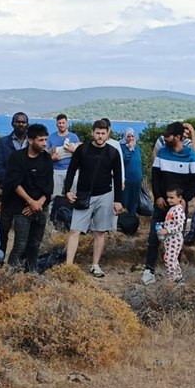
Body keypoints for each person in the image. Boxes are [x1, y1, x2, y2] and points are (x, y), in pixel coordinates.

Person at [63, 118, 124, 277]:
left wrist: (118, 200)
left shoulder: (113, 152)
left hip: (105, 195)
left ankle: (95, 265)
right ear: (93, 132)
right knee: (75, 230)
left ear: (108, 133)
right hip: (83, 194)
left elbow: (117, 178)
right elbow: (71, 170)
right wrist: (67, 190)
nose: (100, 136)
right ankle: (68, 266)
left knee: (100, 231)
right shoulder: (82, 150)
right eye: (97, 133)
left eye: (103, 133)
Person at [142, 122, 195, 284]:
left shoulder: (191, 155)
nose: (165, 138)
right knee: (155, 236)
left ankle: (175, 273)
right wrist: (158, 197)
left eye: (169, 135)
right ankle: (149, 269)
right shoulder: (162, 153)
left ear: (179, 137)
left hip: (179, 206)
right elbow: (155, 177)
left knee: (176, 238)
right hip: (161, 203)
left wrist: (184, 199)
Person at [3, 123, 52, 272]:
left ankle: (31, 274)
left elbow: (49, 185)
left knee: (35, 245)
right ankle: (9, 275)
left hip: (41, 208)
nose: (44, 143)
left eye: (45, 140)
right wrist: (30, 202)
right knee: (20, 245)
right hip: (21, 208)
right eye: (41, 140)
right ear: (31, 140)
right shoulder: (17, 158)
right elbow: (14, 183)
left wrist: (39, 204)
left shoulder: (46, 158)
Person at [0, 112, 30, 256]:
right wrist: (11, 183)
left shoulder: (32, 143)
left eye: (23, 122)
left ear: (27, 124)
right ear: (12, 123)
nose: (21, 124)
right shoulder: (3, 143)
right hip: (8, 192)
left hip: (27, 193)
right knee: (4, 227)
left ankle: (19, 260)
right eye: (18, 121)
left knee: (23, 229)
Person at [158, 187, 187, 283]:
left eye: (172, 198)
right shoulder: (173, 209)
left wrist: (167, 230)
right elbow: (171, 222)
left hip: (175, 238)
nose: (168, 200)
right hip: (169, 239)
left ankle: (172, 279)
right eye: (168, 197)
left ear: (179, 198)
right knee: (172, 258)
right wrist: (163, 225)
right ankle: (178, 278)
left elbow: (179, 227)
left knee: (169, 259)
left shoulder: (178, 210)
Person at [48, 113, 80, 198]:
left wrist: (73, 151)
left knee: (73, 194)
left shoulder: (74, 137)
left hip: (72, 169)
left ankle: (71, 211)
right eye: (59, 123)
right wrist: (52, 158)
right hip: (56, 170)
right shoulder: (51, 137)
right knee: (54, 195)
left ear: (67, 123)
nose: (61, 125)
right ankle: (53, 211)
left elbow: (80, 154)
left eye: (63, 123)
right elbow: (45, 154)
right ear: (56, 124)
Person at [119, 128, 143, 213]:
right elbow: (123, 160)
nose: (131, 138)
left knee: (134, 201)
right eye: (128, 136)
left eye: (132, 136)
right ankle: (123, 220)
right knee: (125, 201)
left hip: (137, 180)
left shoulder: (137, 148)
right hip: (126, 181)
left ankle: (132, 218)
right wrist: (129, 149)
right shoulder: (121, 147)